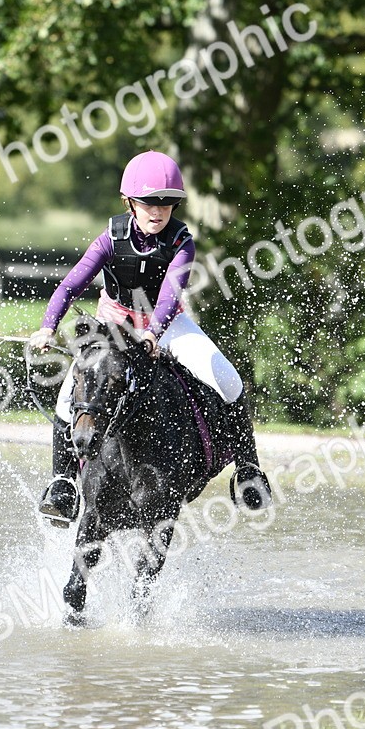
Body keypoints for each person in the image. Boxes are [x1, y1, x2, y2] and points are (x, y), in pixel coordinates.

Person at [28, 150, 271, 526]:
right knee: (67, 400)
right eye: (148, 203)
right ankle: (63, 484)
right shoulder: (110, 238)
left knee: (228, 380)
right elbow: (71, 285)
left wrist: (153, 333)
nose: (158, 211)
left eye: (167, 203)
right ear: (129, 202)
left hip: (166, 323)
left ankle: (248, 470)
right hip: (111, 324)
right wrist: (48, 325)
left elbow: (170, 295)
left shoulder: (181, 242)